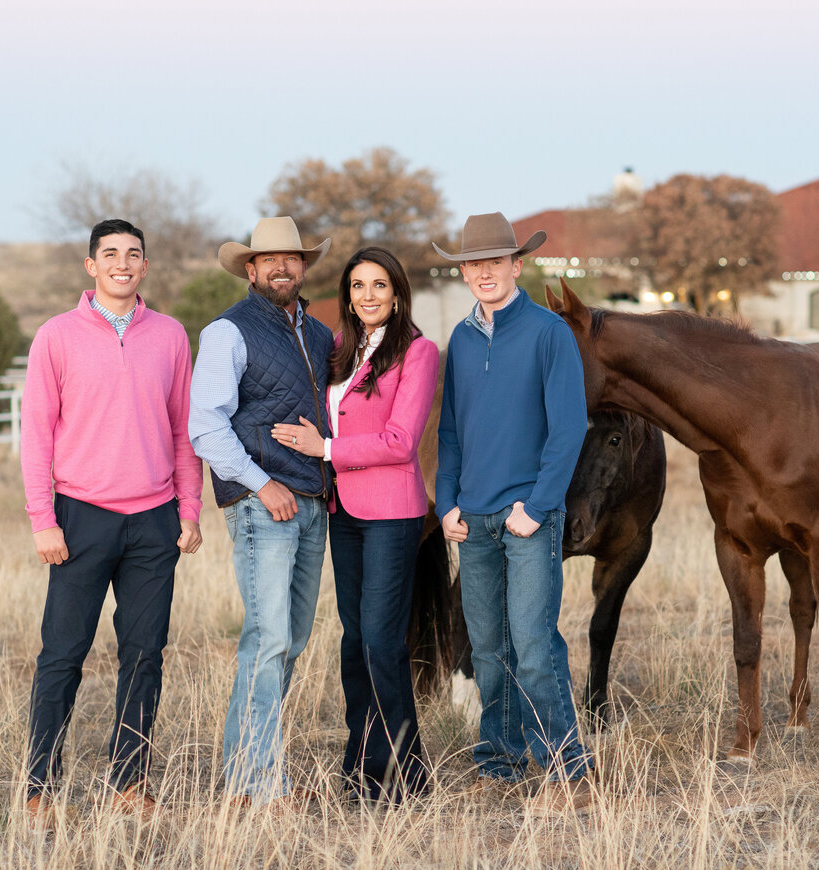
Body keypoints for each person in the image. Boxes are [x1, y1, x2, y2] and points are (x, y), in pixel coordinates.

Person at [20, 218, 203, 824]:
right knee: (63, 655)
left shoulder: (172, 336)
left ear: (145, 266)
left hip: (154, 522)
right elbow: (36, 435)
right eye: (110, 254)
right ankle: (40, 788)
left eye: (133, 254)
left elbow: (183, 432)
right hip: (80, 518)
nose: (123, 263)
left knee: (145, 653)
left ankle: (130, 781)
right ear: (91, 266)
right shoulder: (56, 336)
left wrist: (189, 510)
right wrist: (43, 519)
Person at [433, 212, 594, 814]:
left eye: (493, 263)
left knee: (532, 641)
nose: (482, 273)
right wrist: (447, 502)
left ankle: (564, 767)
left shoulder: (549, 333)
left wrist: (540, 504)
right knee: (486, 648)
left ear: (516, 266)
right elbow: (450, 432)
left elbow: (569, 426)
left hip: (528, 514)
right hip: (470, 519)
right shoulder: (463, 338)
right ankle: (498, 761)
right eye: (472, 265)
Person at [271, 247, 438, 804]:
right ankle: (361, 763)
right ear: (347, 294)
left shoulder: (416, 352)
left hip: (392, 511)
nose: (368, 295)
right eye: (358, 285)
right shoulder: (339, 350)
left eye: (380, 285)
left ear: (397, 293)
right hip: (344, 511)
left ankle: (407, 775)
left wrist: (327, 448)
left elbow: (400, 441)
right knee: (354, 641)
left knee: (383, 642)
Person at [188, 216, 334, 807]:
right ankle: (252, 785)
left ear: (303, 267)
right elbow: (206, 427)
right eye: (268, 259)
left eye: (291, 258)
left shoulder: (320, 335)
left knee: (293, 637)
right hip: (261, 504)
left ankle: (258, 767)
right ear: (251, 269)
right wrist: (260, 483)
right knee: (268, 636)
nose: (281, 267)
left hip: (313, 503)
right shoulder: (227, 331)